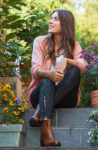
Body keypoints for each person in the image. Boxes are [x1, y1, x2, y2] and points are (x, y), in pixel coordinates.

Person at [26, 9, 88, 147]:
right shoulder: (40, 42)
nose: (50, 21)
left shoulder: (74, 45)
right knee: (48, 81)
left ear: (65, 24)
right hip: (40, 95)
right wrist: (49, 74)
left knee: (75, 70)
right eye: (51, 18)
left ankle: (39, 111)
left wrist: (67, 60)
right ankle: (45, 129)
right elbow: (34, 70)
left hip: (65, 98)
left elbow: (83, 65)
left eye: (55, 19)